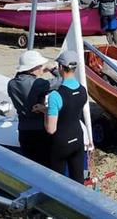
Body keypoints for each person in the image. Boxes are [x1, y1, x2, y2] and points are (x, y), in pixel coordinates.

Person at [8, 50, 59, 168]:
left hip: (24, 131)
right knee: (45, 166)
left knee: (28, 167)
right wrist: (52, 69)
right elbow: (62, 81)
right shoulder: (38, 83)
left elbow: (23, 80)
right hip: (40, 130)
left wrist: (40, 72)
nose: (42, 67)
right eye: (40, 66)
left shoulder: (11, 84)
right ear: (33, 68)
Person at [45, 50, 87, 183]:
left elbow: (51, 129)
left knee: (57, 184)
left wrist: (45, 111)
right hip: (78, 139)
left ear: (61, 67)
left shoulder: (55, 96)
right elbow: (71, 109)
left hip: (61, 143)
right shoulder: (82, 90)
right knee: (78, 180)